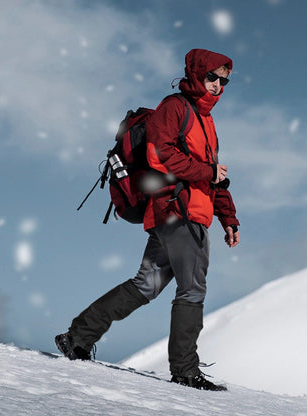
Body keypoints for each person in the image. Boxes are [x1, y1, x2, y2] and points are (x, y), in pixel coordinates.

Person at [55, 48, 240, 391]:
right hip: (178, 211)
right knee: (193, 288)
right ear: (197, 74)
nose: (218, 85)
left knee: (145, 285)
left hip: (189, 211)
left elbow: (215, 178)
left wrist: (228, 217)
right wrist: (207, 170)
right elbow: (158, 154)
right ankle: (185, 371)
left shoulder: (207, 122)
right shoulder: (176, 108)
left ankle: (77, 336)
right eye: (212, 77)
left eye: (224, 80)